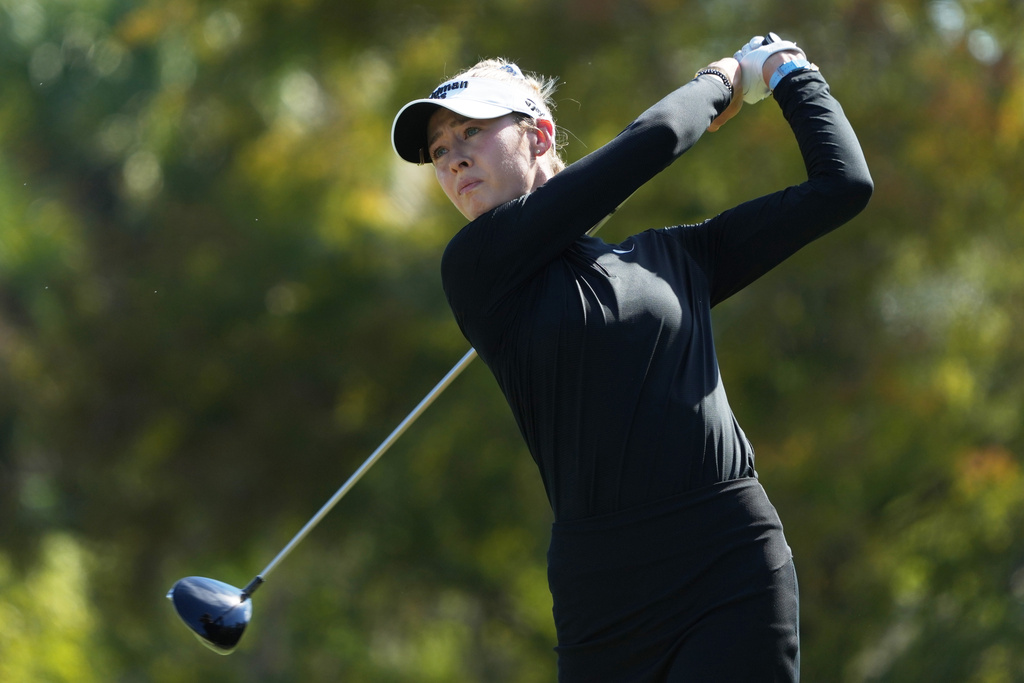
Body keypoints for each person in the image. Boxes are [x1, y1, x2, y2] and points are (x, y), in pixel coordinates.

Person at [391, 33, 871, 682]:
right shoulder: (475, 269)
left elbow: (842, 185)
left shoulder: (677, 259)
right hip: (602, 594)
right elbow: (649, 144)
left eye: (471, 132)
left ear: (538, 135)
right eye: (440, 151)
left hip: (726, 559)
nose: (452, 160)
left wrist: (790, 73)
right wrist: (723, 77)